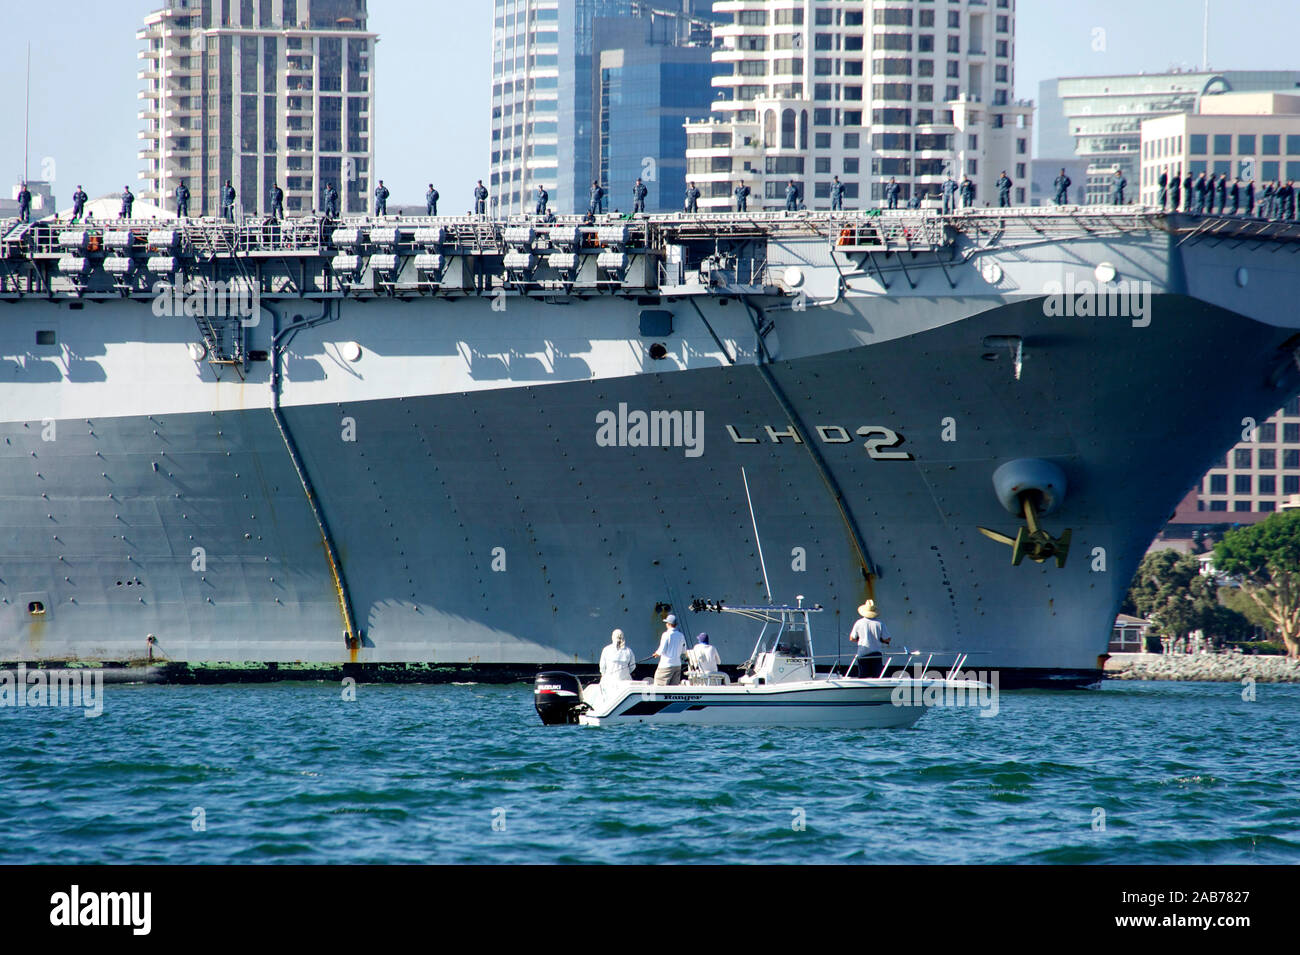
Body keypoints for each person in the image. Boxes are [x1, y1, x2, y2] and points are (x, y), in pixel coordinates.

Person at [847, 599, 892, 677]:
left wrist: (859, 639)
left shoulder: (859, 623)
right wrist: (881, 640)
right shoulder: (879, 624)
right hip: (876, 654)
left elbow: (852, 638)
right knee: (877, 677)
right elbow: (887, 639)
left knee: (863, 677)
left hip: (862, 653)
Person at [652, 614, 687, 686]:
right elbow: (684, 650)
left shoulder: (666, 634)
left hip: (666, 665)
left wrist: (656, 653)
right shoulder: (681, 635)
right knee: (673, 688)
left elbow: (662, 649)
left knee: (659, 687)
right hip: (677, 665)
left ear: (668, 624)